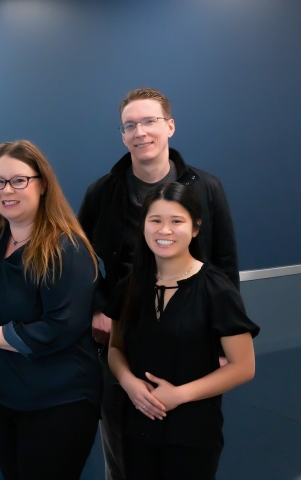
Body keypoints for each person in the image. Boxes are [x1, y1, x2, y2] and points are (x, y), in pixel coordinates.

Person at [77, 87, 240, 480]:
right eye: (130, 125)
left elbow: (226, 264)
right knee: (124, 453)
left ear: (169, 126)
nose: (140, 132)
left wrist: (222, 345)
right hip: (124, 341)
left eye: (149, 121)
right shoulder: (102, 191)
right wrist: (99, 308)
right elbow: (78, 260)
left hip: (191, 344)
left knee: (189, 452)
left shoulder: (207, 188)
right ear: (123, 135)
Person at [0, 140, 103, 479]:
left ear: (42, 184)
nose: (7, 190)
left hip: (58, 403)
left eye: (19, 180)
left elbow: (61, 327)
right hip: (4, 398)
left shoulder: (67, 247)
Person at [106, 182, 258, 479]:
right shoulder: (130, 287)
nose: (165, 231)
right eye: (156, 221)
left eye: (177, 221)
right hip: (138, 426)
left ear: (195, 228)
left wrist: (179, 395)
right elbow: (115, 349)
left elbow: (243, 367)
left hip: (192, 433)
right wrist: (128, 383)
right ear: (144, 226)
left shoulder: (216, 289)